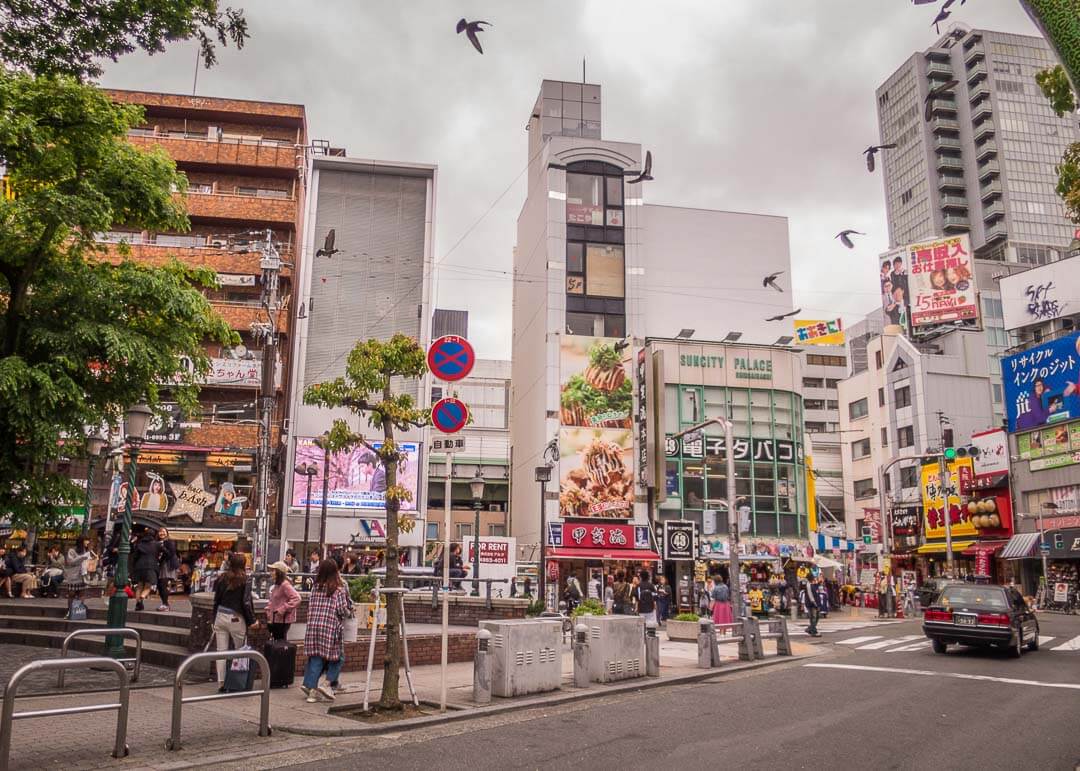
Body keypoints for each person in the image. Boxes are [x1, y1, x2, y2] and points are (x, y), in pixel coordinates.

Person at [301, 558, 351, 703]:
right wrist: (350, 612)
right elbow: (342, 610)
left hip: (313, 626)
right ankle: (327, 684)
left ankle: (311, 689)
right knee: (338, 657)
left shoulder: (316, 588)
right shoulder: (338, 590)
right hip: (330, 627)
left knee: (316, 657)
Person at [212, 553, 258, 688]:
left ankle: (221, 682)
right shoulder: (245, 579)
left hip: (220, 616)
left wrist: (213, 618)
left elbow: (216, 600)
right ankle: (237, 681)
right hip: (236, 618)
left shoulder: (221, 578)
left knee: (221, 651)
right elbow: (246, 603)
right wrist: (252, 620)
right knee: (240, 650)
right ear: (243, 565)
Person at [265, 561, 301, 640]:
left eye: (273, 570)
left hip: (282, 620)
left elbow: (297, 598)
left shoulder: (285, 585)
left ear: (279, 572)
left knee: (280, 642)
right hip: (276, 619)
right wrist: (269, 611)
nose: (271, 573)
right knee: (277, 641)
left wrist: (283, 609)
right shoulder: (277, 585)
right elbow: (273, 600)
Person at [63, 537, 94, 618]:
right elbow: (70, 562)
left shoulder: (86, 551)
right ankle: (70, 611)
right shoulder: (72, 551)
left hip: (83, 576)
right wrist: (83, 557)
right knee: (71, 594)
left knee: (81, 594)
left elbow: (88, 561)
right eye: (86, 540)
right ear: (81, 541)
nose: (87, 542)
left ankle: (78, 612)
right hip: (73, 576)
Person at [131, 529, 161, 611]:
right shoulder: (157, 544)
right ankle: (141, 598)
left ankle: (138, 605)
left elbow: (135, 556)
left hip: (139, 566)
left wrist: (133, 567)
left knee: (139, 586)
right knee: (148, 585)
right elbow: (164, 553)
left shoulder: (139, 544)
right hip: (151, 567)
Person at [156, 528, 180, 612]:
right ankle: (164, 603)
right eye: (160, 531)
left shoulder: (170, 542)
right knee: (160, 585)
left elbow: (171, 553)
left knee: (163, 584)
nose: (161, 533)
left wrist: (162, 548)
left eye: (163, 532)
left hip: (168, 565)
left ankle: (165, 605)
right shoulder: (157, 542)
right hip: (161, 565)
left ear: (167, 533)